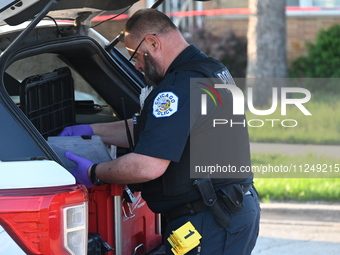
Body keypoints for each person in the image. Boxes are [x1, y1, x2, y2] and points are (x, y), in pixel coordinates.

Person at [60, 8, 260, 255]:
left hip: (209, 220)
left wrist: (94, 172)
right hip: (227, 209)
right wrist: (90, 130)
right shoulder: (210, 69)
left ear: (152, 42)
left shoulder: (177, 88)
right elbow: (156, 132)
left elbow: (148, 165)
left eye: (135, 56)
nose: (136, 66)